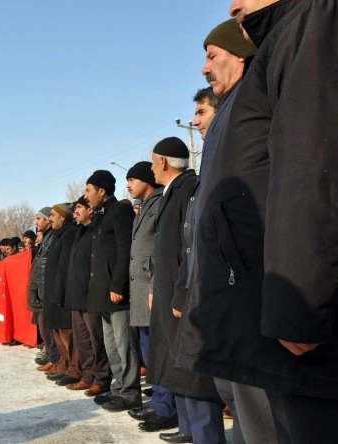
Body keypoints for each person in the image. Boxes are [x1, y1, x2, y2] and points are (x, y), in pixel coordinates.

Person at [178, 1, 338, 441]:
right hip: (258, 314)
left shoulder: (315, 23)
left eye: (212, 55)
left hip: (297, 330)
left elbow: (315, 169)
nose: (235, 3)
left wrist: (299, 312)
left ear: (238, 54)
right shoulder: (286, 43)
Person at [143, 137, 224, 442]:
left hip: (183, 293)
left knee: (191, 367)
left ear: (162, 162)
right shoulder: (172, 191)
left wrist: (182, 291)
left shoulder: (189, 188)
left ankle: (204, 433)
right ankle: (190, 429)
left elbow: (189, 249)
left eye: (153, 161)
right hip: (168, 292)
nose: (152, 167)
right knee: (176, 364)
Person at [85, 170, 140, 412]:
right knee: (111, 345)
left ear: (102, 190)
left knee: (123, 344)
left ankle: (130, 392)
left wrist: (119, 285)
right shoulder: (101, 214)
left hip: (116, 293)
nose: (86, 195)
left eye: (88, 190)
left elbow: (124, 249)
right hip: (103, 293)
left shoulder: (120, 210)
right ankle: (119, 388)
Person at [123, 162, 169, 424]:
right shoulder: (144, 208)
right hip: (139, 290)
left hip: (152, 289)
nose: (128, 185)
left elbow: (160, 248)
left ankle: (165, 406)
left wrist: (153, 286)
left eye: (132, 179)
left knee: (158, 351)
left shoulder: (160, 202)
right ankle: (160, 401)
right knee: (147, 349)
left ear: (146, 180)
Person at [65, 196, 111, 396]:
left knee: (97, 340)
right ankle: (87, 375)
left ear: (90, 210)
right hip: (77, 296)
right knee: (83, 341)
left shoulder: (97, 231)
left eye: (79, 208)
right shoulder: (80, 233)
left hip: (92, 296)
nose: (74, 212)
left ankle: (102, 378)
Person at [44, 203, 82, 386]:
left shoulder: (68, 234)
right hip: (52, 292)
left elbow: (65, 266)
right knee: (58, 331)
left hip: (62, 292)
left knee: (68, 333)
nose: (50, 218)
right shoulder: (56, 235)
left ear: (62, 217)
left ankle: (74, 369)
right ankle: (64, 365)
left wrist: (60, 292)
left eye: (52, 215)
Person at [30, 207, 58, 373]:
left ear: (48, 220)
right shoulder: (46, 238)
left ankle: (56, 359)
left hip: (49, 289)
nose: (36, 222)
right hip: (42, 290)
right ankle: (51, 356)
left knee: (52, 329)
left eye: (39, 218)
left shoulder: (52, 237)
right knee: (45, 327)